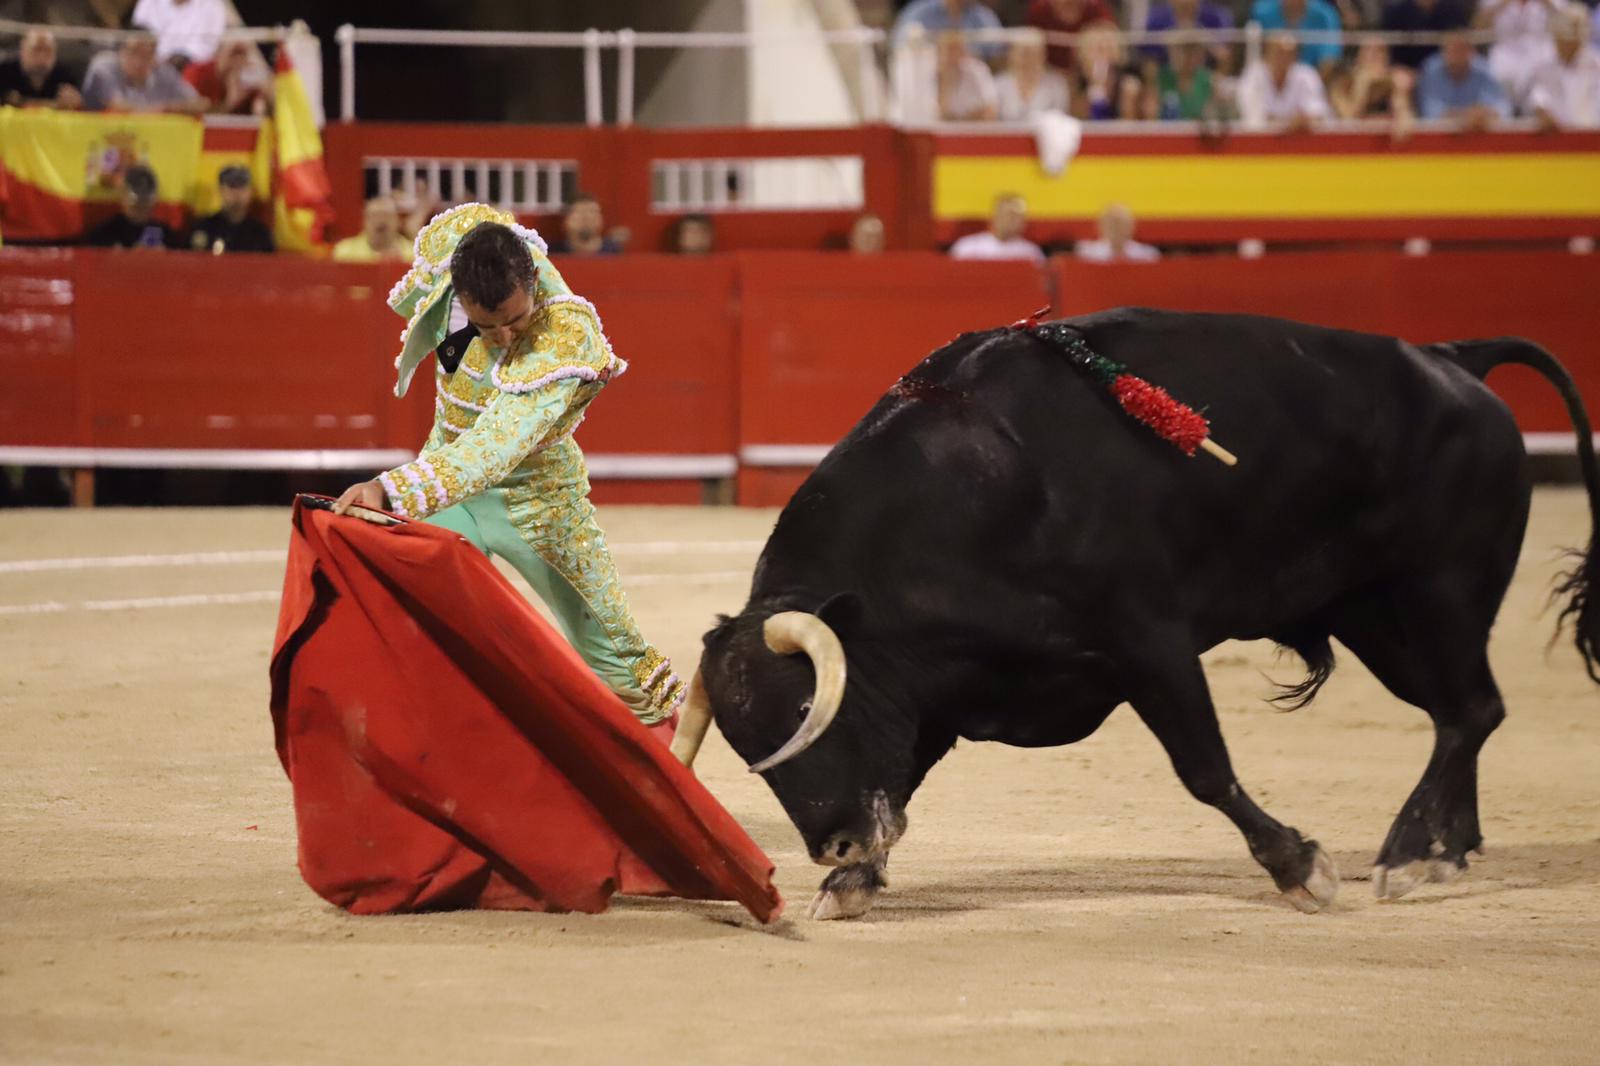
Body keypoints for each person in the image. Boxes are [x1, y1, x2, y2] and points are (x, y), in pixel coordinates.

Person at [332, 204, 686, 733]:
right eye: (485, 325)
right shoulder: (456, 244)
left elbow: (495, 449)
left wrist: (391, 488)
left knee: (619, 661)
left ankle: (660, 792)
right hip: (447, 488)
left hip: (536, 499)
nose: (501, 337)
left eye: (515, 321)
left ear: (534, 284)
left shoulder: (565, 335)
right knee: (425, 624)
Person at [81, 34, 205, 112]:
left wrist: (169, 108)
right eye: (134, 53)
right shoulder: (104, 66)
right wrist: (159, 111)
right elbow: (117, 108)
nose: (139, 61)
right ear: (120, 52)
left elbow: (200, 104)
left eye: (147, 55)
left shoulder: (163, 71)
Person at [1237, 31, 1332, 128]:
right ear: (1267, 54)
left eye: (1290, 53)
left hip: (1299, 141)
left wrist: (1299, 121)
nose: (1284, 58)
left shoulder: (1307, 75)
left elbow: (1317, 114)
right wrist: (1289, 122)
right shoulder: (1254, 75)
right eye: (1279, 52)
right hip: (1259, 141)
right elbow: (1253, 116)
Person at [1526, 6, 1600, 129]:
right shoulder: (1543, 67)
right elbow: (1537, 98)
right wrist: (1541, 111)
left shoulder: (1596, 65)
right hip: (1556, 139)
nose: (1562, 39)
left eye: (1574, 29)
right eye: (1560, 30)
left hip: (1591, 137)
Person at [1418, 32, 1512, 127]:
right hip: (1440, 137)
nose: (1458, 56)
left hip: (1480, 133)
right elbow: (1429, 111)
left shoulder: (1484, 70)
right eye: (1454, 50)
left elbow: (1503, 108)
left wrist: (1484, 114)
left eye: (1462, 50)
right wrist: (1464, 116)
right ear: (1444, 52)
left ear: (1472, 52)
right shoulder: (1431, 70)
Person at [1475, 0, 1560, 105]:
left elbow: (1566, 20)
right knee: (1499, 80)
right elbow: (1479, 26)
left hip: (1540, 50)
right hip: (1505, 51)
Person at [85, 163, 180, 249]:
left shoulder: (164, 234)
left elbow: (186, 253)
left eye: (145, 204)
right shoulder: (107, 232)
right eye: (136, 205)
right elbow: (81, 251)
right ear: (122, 196)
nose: (141, 208)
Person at [188, 165, 274, 253]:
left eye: (242, 187)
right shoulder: (204, 228)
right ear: (221, 190)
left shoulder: (260, 233)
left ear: (250, 192)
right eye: (232, 187)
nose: (237, 194)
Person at [996, 29, 1072, 120]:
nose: (1028, 58)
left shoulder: (1056, 84)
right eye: (1023, 53)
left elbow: (1062, 119)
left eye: (1033, 52)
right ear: (1012, 55)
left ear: (1043, 55)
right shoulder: (998, 84)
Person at [182, 37, 270, 115]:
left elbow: (261, 112)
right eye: (234, 54)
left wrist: (264, 93)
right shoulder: (197, 72)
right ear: (219, 55)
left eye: (242, 54)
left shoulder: (249, 79)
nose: (237, 61)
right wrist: (228, 104)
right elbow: (190, 111)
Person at [892, 0, 1005, 60]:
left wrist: (971, 58)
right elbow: (898, 47)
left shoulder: (983, 16)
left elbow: (1000, 56)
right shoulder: (919, 13)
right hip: (929, 82)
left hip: (973, 88)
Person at [1249, 0, 1344, 71]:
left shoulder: (1326, 16)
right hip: (1269, 83)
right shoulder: (1261, 12)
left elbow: (1330, 60)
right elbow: (1254, 57)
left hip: (1315, 84)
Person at [948, 193, 1045, 262]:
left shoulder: (1031, 253)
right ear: (994, 217)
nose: (1014, 220)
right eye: (1009, 215)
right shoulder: (967, 248)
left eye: (1019, 216)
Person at [1027, 0, 1116, 74]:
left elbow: (1112, 46)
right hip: (1048, 73)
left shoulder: (1095, 8)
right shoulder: (1040, 9)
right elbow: (1030, 50)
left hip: (1086, 76)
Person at [0, 29, 82, 109]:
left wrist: (76, 102)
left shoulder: (65, 77)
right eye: (36, 49)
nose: (42, 57)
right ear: (22, 51)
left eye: (47, 51)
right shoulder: (4, 72)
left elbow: (81, 109)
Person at [130, 0, 228, 66]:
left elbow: (209, 45)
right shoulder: (148, 2)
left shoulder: (213, 4)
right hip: (152, 65)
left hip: (193, 67)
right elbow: (139, 35)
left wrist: (183, 59)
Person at [1142, 0, 1235, 68]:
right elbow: (1148, 58)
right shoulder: (1156, 19)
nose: (1185, 2)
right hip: (1166, 76)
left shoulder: (1216, 17)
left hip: (1207, 76)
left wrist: (1206, 41)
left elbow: (1225, 55)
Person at [1381, 0, 1471, 70]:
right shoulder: (1395, 12)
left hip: (1446, 71)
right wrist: (1398, 69)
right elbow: (1387, 50)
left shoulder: (1454, 10)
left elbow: (1463, 46)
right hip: (1405, 73)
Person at [934, 30, 999, 121]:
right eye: (948, 50)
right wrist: (946, 80)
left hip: (975, 131)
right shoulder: (930, 75)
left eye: (956, 49)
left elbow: (991, 110)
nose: (952, 55)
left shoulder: (977, 70)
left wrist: (958, 119)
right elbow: (936, 116)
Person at [331, 197, 410, 263]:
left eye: (387, 216)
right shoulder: (344, 253)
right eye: (374, 216)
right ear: (364, 221)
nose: (381, 221)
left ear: (399, 222)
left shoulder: (413, 255)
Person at [1075, 203, 1162, 262]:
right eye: (1111, 223)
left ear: (1131, 227)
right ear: (1100, 226)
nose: (1116, 229)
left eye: (1121, 224)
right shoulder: (1087, 255)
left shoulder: (1147, 256)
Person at [1156, 41, 1220, 118]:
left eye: (1194, 54)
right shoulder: (1164, 76)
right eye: (1174, 52)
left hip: (1196, 127)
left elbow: (1213, 111)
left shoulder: (1206, 79)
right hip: (1167, 127)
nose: (1190, 59)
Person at [546, 193, 621, 256]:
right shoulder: (551, 254)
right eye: (578, 212)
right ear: (565, 221)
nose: (586, 217)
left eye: (592, 212)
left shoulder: (614, 253)